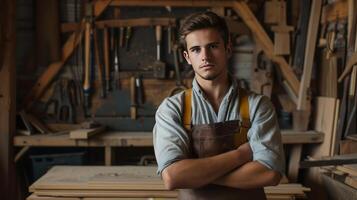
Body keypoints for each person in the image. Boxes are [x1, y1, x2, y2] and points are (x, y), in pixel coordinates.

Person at [153, 11, 285, 200]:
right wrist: (240, 155)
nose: (205, 56)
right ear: (187, 57)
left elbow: (269, 173)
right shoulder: (173, 109)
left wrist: (196, 174)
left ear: (228, 49)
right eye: (196, 49)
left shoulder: (258, 106)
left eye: (213, 46)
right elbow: (174, 177)